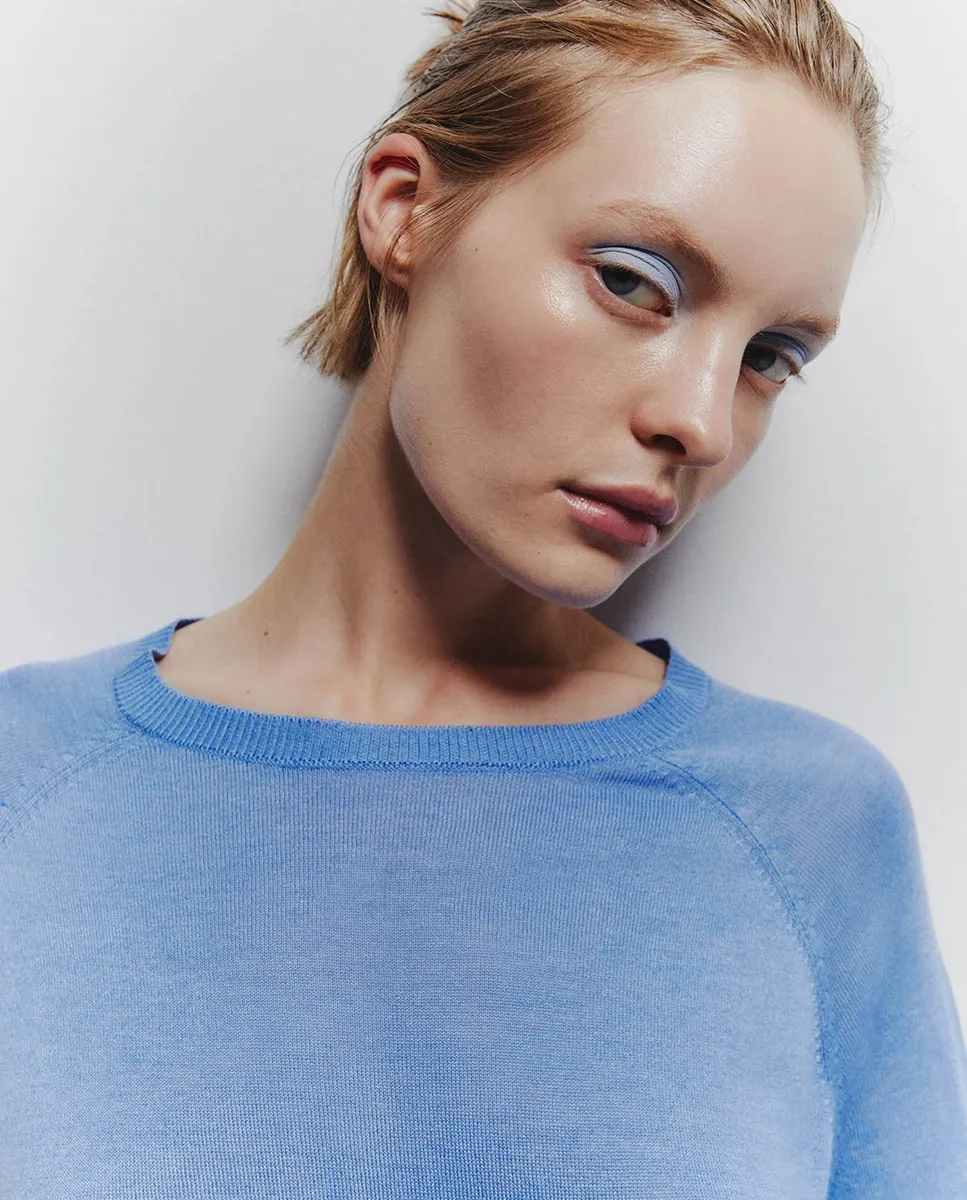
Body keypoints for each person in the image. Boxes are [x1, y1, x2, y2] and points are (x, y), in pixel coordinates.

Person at [2, 0, 965, 1195]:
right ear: (404, 209)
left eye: (770, 357)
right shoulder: (25, 780)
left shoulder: (808, 828)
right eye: (635, 283)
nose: (702, 422)